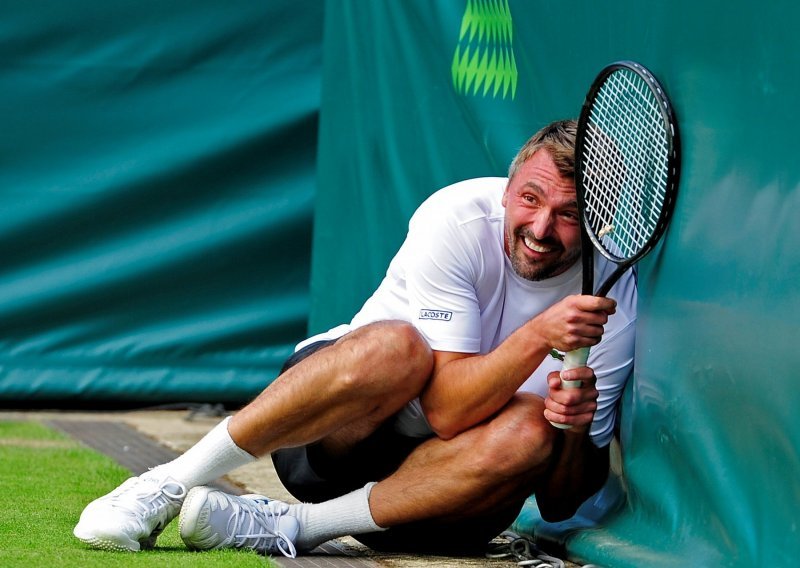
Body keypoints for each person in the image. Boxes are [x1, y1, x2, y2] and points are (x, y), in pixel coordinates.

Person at [73, 119, 636, 558]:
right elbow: (443, 408)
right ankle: (165, 485)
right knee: (397, 349)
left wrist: (570, 427)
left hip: (426, 503)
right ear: (507, 189)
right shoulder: (459, 216)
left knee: (534, 426)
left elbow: (562, 501)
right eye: (531, 199)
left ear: (600, 216)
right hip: (327, 435)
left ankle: (292, 528)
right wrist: (540, 334)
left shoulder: (618, 297)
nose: (541, 230)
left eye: (570, 213)